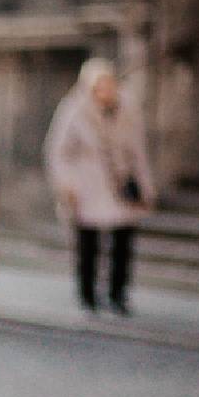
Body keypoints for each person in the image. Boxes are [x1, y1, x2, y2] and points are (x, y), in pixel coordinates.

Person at [44, 58, 153, 316]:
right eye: (99, 85)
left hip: (120, 184)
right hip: (88, 186)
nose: (105, 91)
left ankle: (117, 293)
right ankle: (88, 293)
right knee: (88, 243)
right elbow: (58, 151)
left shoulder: (128, 108)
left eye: (109, 84)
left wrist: (145, 185)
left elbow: (138, 151)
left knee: (123, 241)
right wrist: (66, 184)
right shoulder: (74, 109)